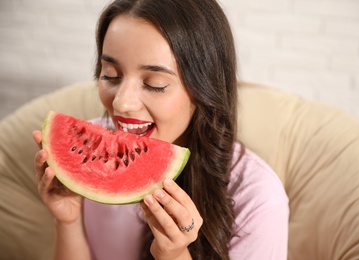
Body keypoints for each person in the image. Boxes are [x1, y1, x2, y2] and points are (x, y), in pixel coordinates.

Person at [33, 0, 289, 259]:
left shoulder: (258, 197)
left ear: (204, 89)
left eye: (154, 84)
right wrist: (68, 221)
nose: (122, 102)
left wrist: (175, 255)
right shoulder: (91, 153)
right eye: (110, 75)